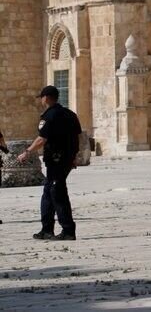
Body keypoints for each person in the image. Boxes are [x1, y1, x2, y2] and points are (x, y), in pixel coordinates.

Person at [17, 85, 82, 240]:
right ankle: (47, 229)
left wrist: (27, 152)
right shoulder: (70, 114)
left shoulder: (49, 116)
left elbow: (42, 139)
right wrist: (73, 156)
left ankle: (68, 231)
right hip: (66, 160)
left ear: (45, 98)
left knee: (57, 192)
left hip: (56, 160)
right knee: (48, 192)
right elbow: (77, 138)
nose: (41, 100)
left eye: (41, 98)